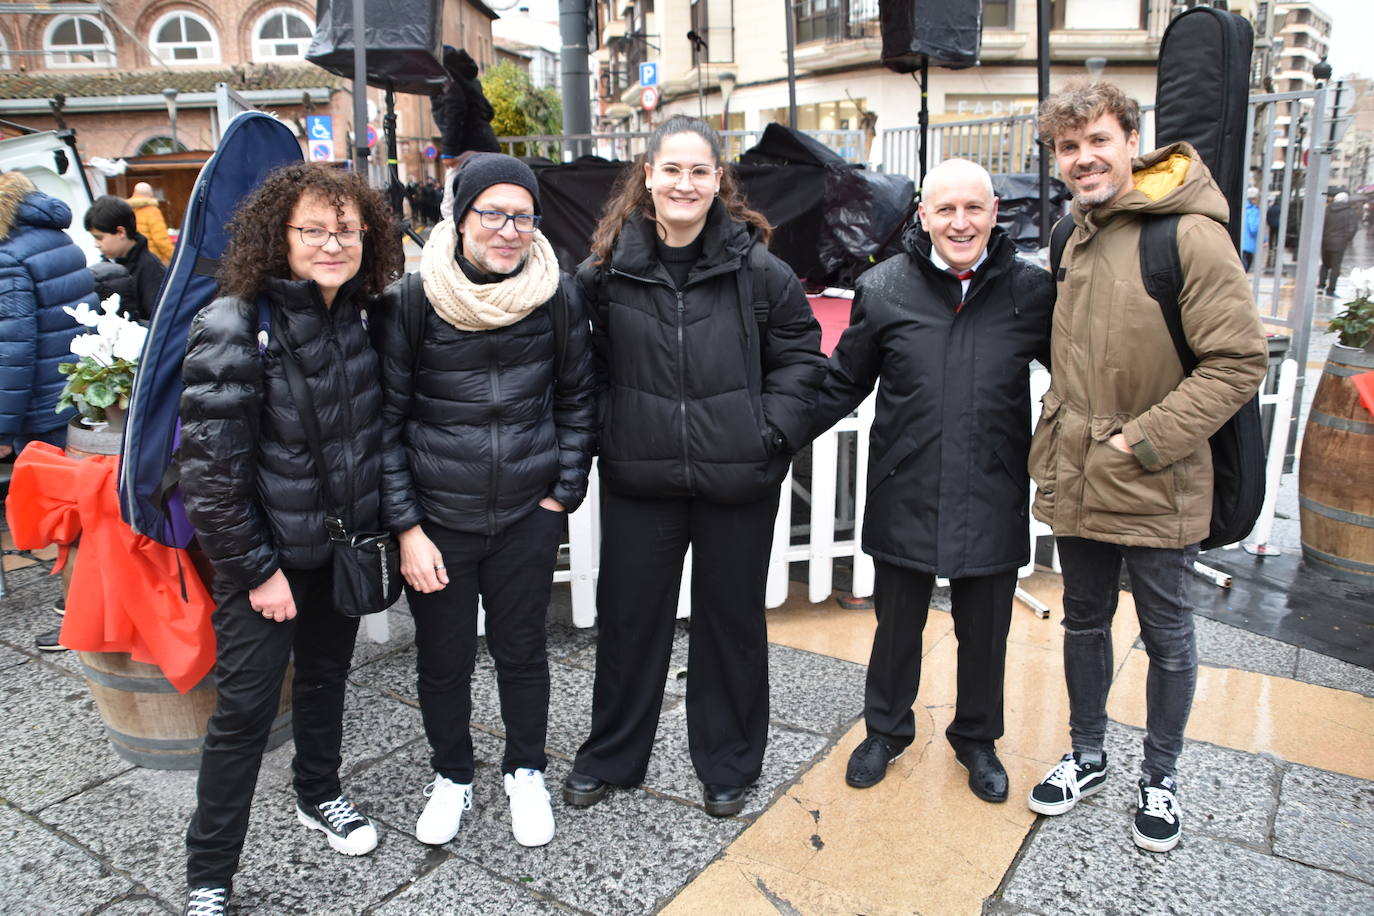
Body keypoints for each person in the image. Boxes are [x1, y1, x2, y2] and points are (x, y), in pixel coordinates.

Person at [562, 115, 825, 818]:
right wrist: (605, 434)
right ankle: (612, 756)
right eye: (671, 169)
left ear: (718, 180)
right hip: (640, 479)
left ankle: (729, 762)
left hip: (736, 479)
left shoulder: (758, 270)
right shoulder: (606, 273)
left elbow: (803, 359)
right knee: (628, 624)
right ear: (648, 176)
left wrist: (767, 433)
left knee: (731, 625)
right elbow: (581, 372)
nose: (684, 182)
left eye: (699, 170)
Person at [1028, 79, 1266, 853]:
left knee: (1166, 633)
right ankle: (1088, 754)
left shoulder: (1187, 235)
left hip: (1158, 474)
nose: (1084, 158)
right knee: (1085, 620)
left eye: (1098, 140)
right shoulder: (1072, 236)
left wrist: (1143, 441)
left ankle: (1159, 777)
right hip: (1079, 470)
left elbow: (1237, 363)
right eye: (1069, 147)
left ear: (1132, 140)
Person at [177, 162, 403, 916]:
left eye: (346, 228)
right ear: (281, 235)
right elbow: (209, 476)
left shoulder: (362, 317)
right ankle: (209, 874)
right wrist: (256, 571)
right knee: (242, 714)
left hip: (337, 549)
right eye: (314, 229)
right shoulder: (235, 322)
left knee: (325, 683)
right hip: (265, 564)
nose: (333, 243)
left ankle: (319, 793)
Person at [809, 158, 1054, 802]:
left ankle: (976, 738)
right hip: (905, 482)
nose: (960, 222)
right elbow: (843, 381)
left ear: (994, 212)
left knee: (986, 631)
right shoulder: (884, 287)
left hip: (993, 485)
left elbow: (1083, 377)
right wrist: (775, 429)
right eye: (945, 209)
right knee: (896, 626)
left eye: (973, 208)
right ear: (923, 215)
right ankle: (886, 730)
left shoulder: (1030, 292)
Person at [376, 153, 596, 848]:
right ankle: (452, 775)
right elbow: (384, 422)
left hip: (526, 515)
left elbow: (577, 399)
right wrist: (407, 527)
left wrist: (562, 496)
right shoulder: (413, 299)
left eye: (523, 215)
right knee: (442, 657)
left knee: (523, 651)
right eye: (492, 213)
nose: (509, 230)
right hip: (438, 522)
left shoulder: (556, 294)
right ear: (460, 217)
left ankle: (524, 769)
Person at [83, 195, 166, 321]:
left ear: (121, 232)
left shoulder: (151, 268)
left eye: (99, 238)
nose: (96, 244)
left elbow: (159, 320)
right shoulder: (106, 265)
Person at [1319, 190, 1359, 295]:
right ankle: (1331, 289)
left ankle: (1321, 285)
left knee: (1325, 264)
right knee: (1335, 266)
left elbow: (1321, 224)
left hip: (1326, 241)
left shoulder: (1327, 209)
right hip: (1340, 242)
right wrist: (1346, 239)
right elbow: (1353, 228)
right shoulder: (1350, 212)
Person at [127, 180, 174, 264]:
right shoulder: (152, 211)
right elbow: (160, 240)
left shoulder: (127, 210)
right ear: (151, 194)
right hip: (154, 259)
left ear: (134, 193)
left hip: (133, 258)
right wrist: (174, 255)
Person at [1241, 186, 1260, 273]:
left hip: (1241, 242)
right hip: (1249, 243)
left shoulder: (1243, 207)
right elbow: (1254, 227)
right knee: (1245, 267)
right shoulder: (1253, 210)